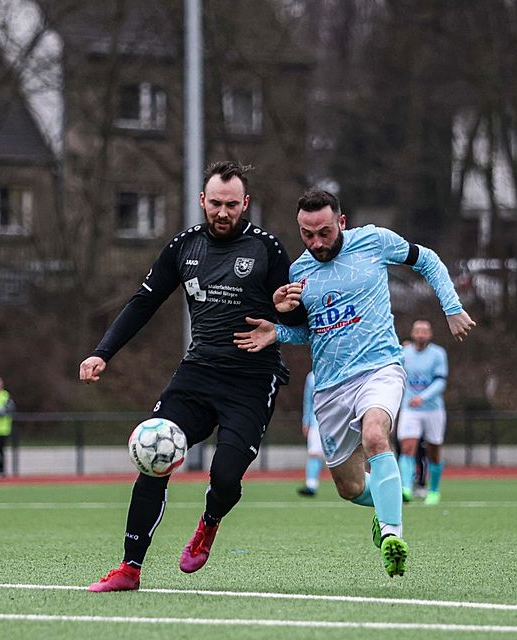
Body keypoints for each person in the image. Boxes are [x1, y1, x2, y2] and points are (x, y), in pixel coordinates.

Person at [79, 161, 301, 592]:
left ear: (245, 204)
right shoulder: (183, 247)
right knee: (152, 456)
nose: (222, 212)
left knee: (225, 477)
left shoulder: (268, 249)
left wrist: (282, 308)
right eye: (215, 203)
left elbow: (298, 316)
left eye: (231, 205)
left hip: (252, 381)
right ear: (202, 200)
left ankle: (210, 521)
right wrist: (102, 352)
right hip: (197, 374)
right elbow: (142, 304)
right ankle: (129, 568)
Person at [235, 189, 475, 577]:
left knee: (376, 436)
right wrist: (277, 329)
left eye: (324, 232)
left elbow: (426, 259)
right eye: (307, 234)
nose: (316, 242)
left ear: (341, 223)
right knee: (348, 487)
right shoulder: (298, 273)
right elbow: (310, 333)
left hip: (380, 367)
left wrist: (452, 306)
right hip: (331, 388)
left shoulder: (374, 242)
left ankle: (394, 534)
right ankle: (383, 510)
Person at [397, 319, 449, 505]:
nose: (421, 334)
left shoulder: (438, 354)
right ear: (412, 333)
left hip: (433, 409)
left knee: (433, 451)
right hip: (410, 409)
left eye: (424, 331)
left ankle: (433, 489)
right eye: (417, 330)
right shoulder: (404, 353)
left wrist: (423, 397)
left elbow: (440, 381)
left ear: (430, 334)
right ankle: (406, 488)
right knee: (407, 448)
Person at [297, 370, 325, 496]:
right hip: (316, 421)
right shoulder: (312, 376)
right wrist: (306, 421)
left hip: (337, 420)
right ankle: (311, 485)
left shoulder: (340, 370)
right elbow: (308, 400)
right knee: (314, 453)